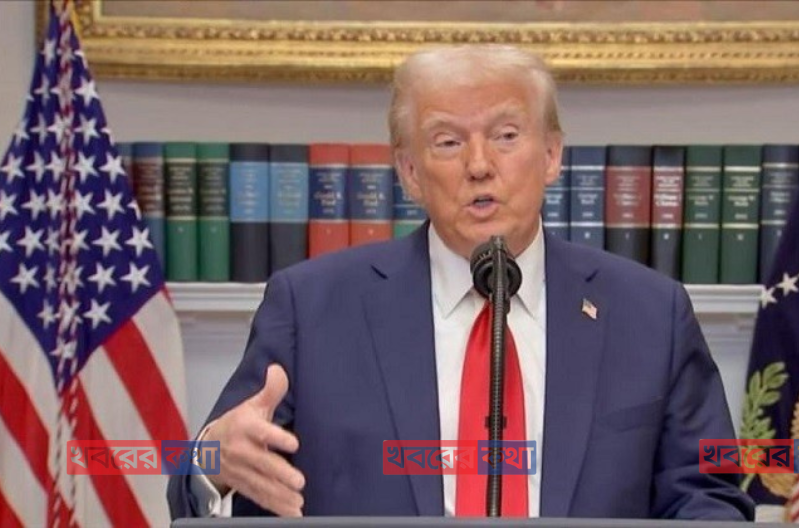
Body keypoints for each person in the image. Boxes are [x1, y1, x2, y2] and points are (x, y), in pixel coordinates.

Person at [167, 44, 754, 520]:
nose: (479, 165)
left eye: (506, 135)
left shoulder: (649, 313)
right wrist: (212, 461)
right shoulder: (311, 307)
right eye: (448, 142)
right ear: (410, 172)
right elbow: (204, 480)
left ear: (552, 155)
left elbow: (709, 495)